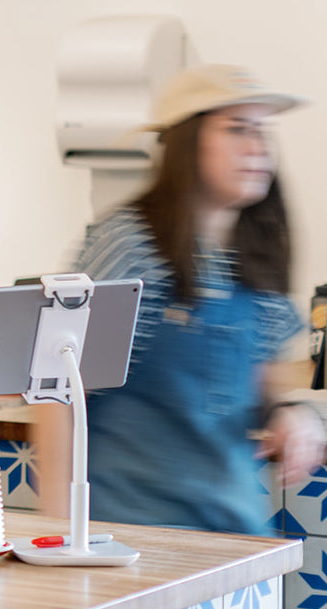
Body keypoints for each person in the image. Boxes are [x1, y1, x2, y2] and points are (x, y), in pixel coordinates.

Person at [41, 64, 325, 537]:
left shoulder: (257, 257)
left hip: (232, 536)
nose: (257, 149)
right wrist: (60, 527)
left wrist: (291, 415)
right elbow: (57, 392)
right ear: (187, 144)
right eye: (237, 130)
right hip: (132, 534)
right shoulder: (130, 245)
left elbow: (264, 387)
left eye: (262, 132)